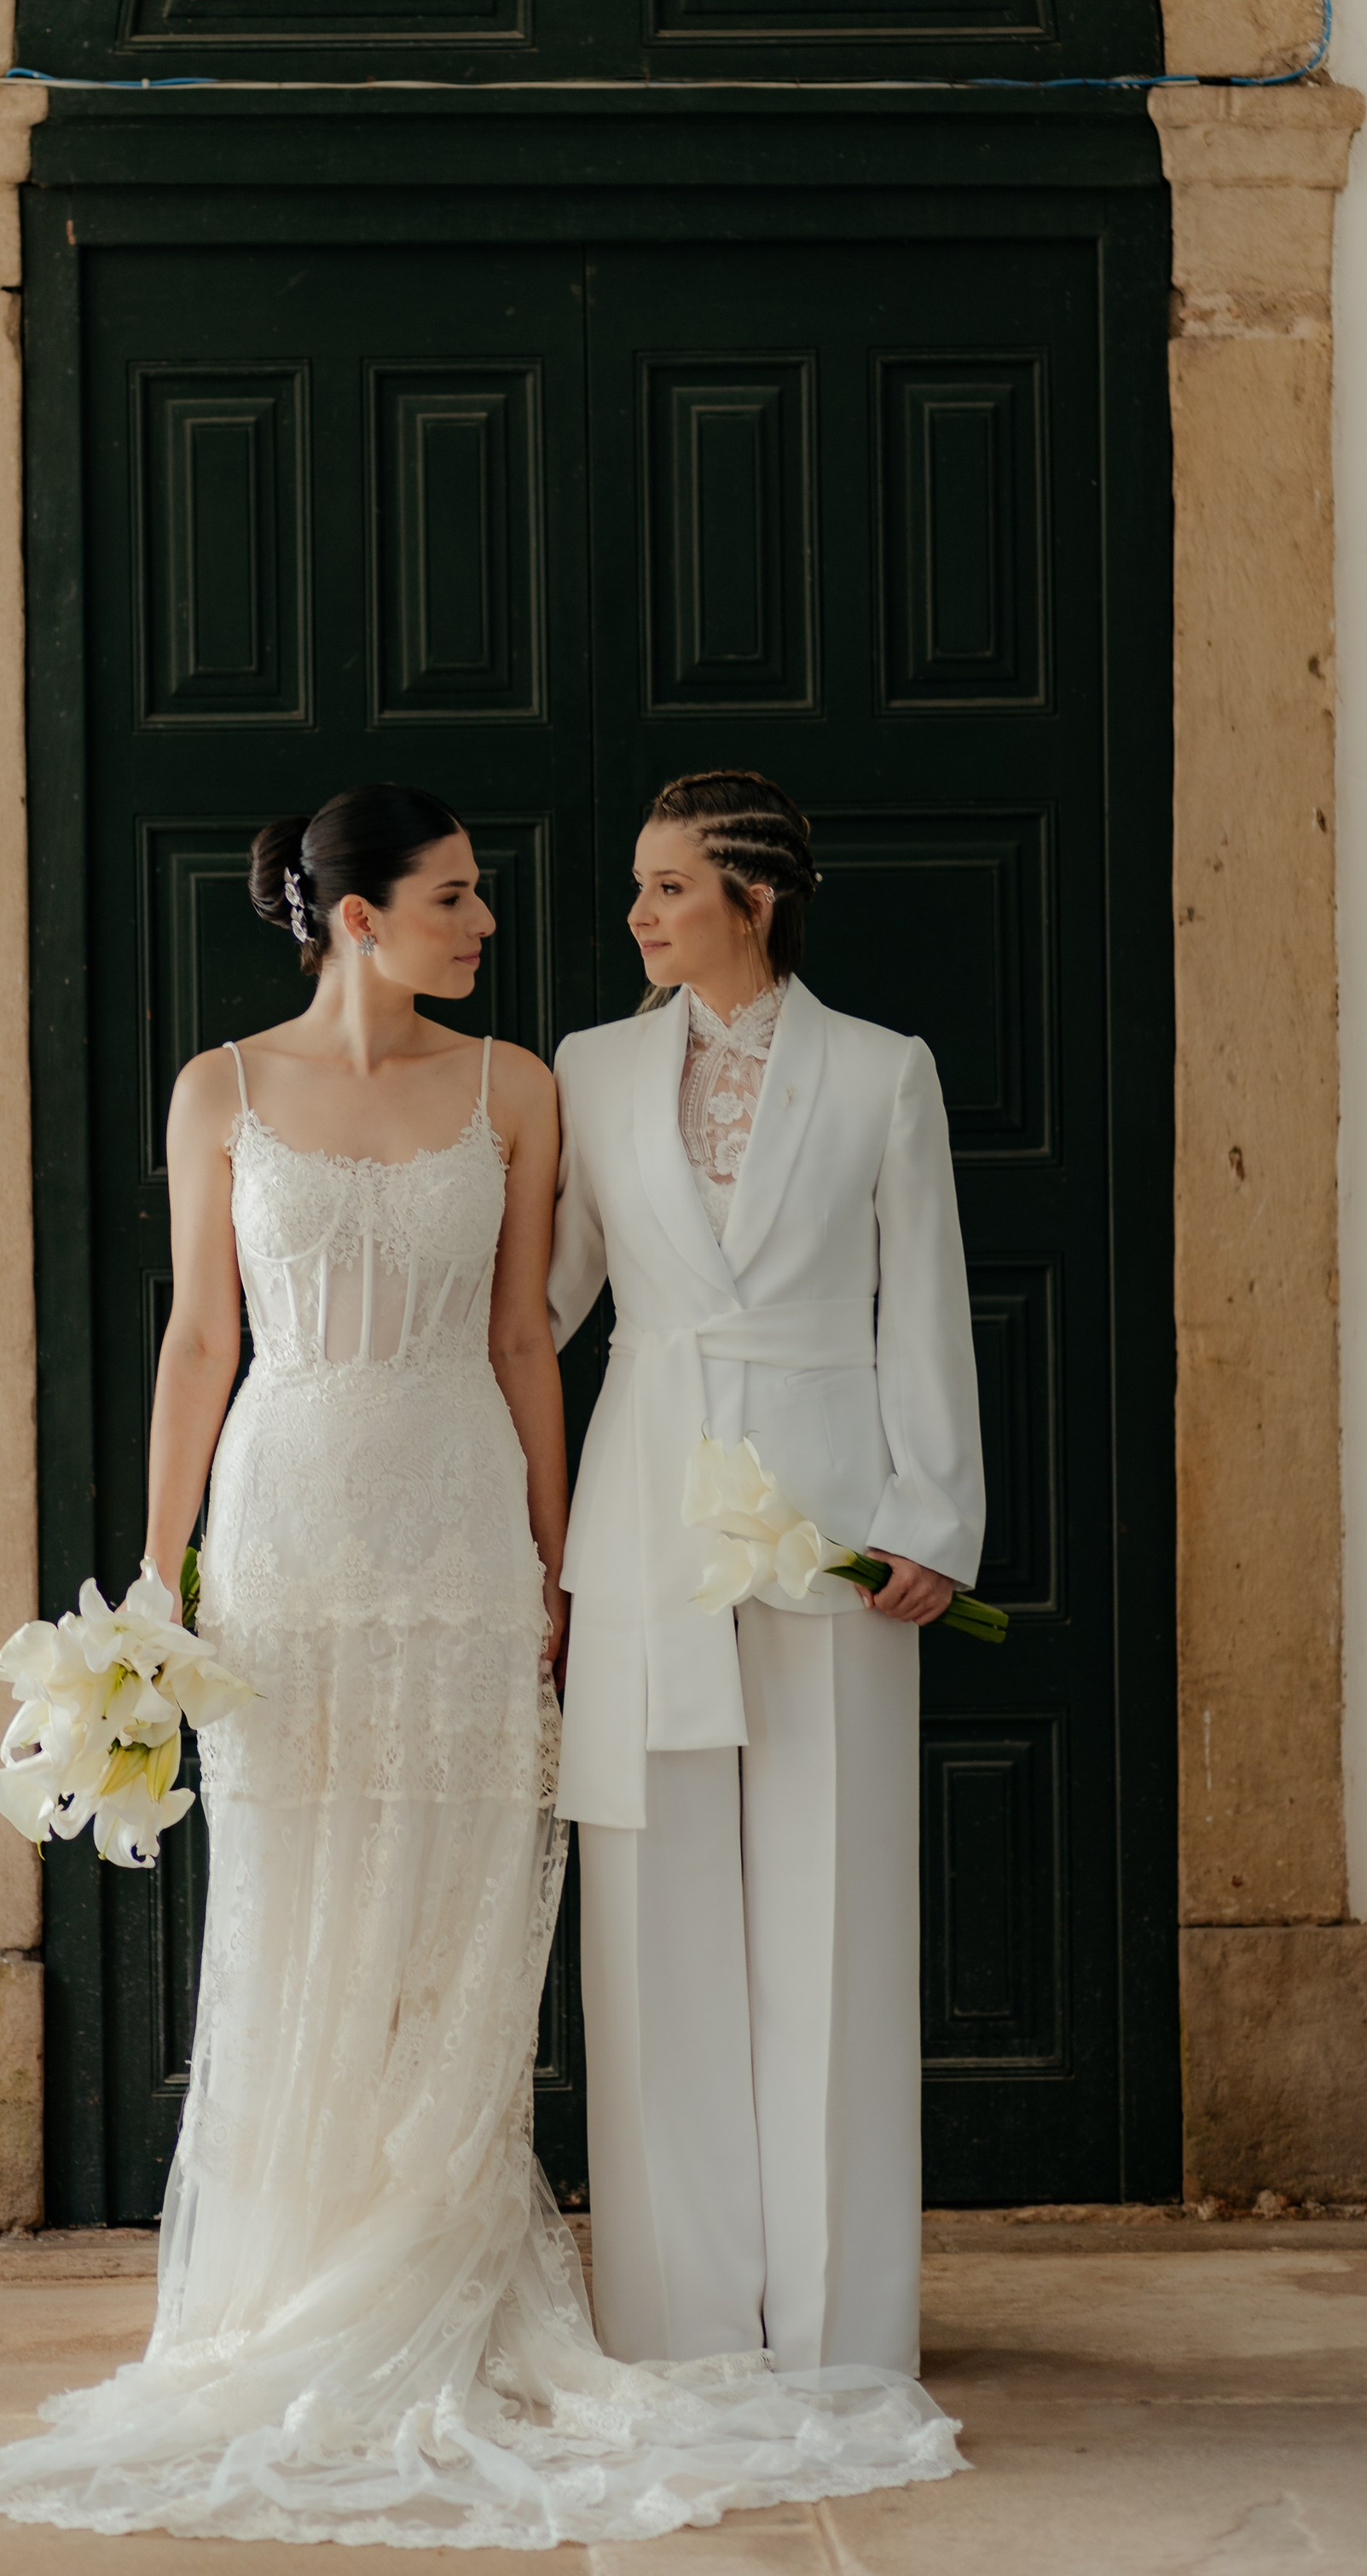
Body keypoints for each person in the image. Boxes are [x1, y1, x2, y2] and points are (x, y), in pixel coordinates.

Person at [0, 782, 963, 2545]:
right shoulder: (366, 1081)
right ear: (354, 915)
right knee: (381, 1903)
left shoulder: (624, 1079)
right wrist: (160, 1573)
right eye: (458, 893)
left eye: (652, 888)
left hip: (586, 1520)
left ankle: (744, 2311)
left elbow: (541, 1319)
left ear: (748, 895)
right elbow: (250, 1328)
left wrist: (576, 1553)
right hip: (354, 1514)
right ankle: (406, 2284)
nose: (525, 917)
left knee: (584, 1908)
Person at [549, 770, 987, 2382]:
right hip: (647, 1510)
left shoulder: (881, 1075)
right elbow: (547, 1307)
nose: (641, 914)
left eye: (670, 887)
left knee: (835, 1909)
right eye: (641, 886)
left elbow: (923, 1301)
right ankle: (670, 2324)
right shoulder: (591, 1073)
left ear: (757, 897)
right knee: (653, 1919)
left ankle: (839, 2331)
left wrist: (934, 1515)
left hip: (837, 1530)